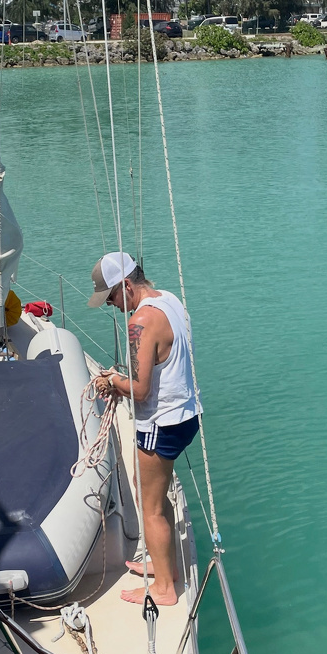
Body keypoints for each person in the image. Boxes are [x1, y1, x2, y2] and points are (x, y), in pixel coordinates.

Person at [88, 252, 201, 606]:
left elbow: (140, 389)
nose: (111, 305)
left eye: (110, 297)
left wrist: (111, 381)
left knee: (148, 505)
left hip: (159, 423)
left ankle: (165, 588)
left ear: (125, 286)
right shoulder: (169, 300)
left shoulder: (141, 322)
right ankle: (163, 564)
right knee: (154, 495)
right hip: (186, 415)